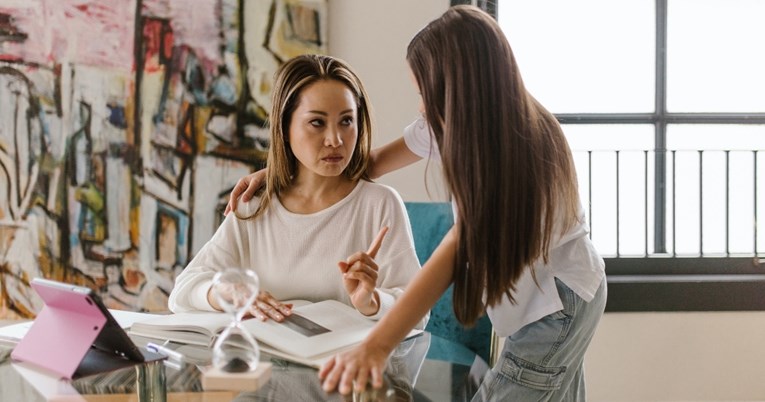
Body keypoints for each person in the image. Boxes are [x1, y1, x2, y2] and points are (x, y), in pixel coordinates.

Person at [226, 6, 606, 401]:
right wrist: (276, 174)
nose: (421, 105)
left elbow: (455, 253)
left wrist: (376, 346)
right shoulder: (447, 123)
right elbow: (368, 164)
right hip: (554, 294)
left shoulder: (516, 151)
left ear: (458, 89)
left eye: (425, 93)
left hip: (557, 303)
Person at [169, 54, 427, 331]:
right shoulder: (254, 206)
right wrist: (229, 293)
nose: (335, 140)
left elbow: (418, 313)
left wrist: (371, 302)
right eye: (317, 123)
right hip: (267, 368)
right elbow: (183, 291)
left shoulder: (380, 205)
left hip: (345, 370)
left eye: (346, 121)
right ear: (285, 128)